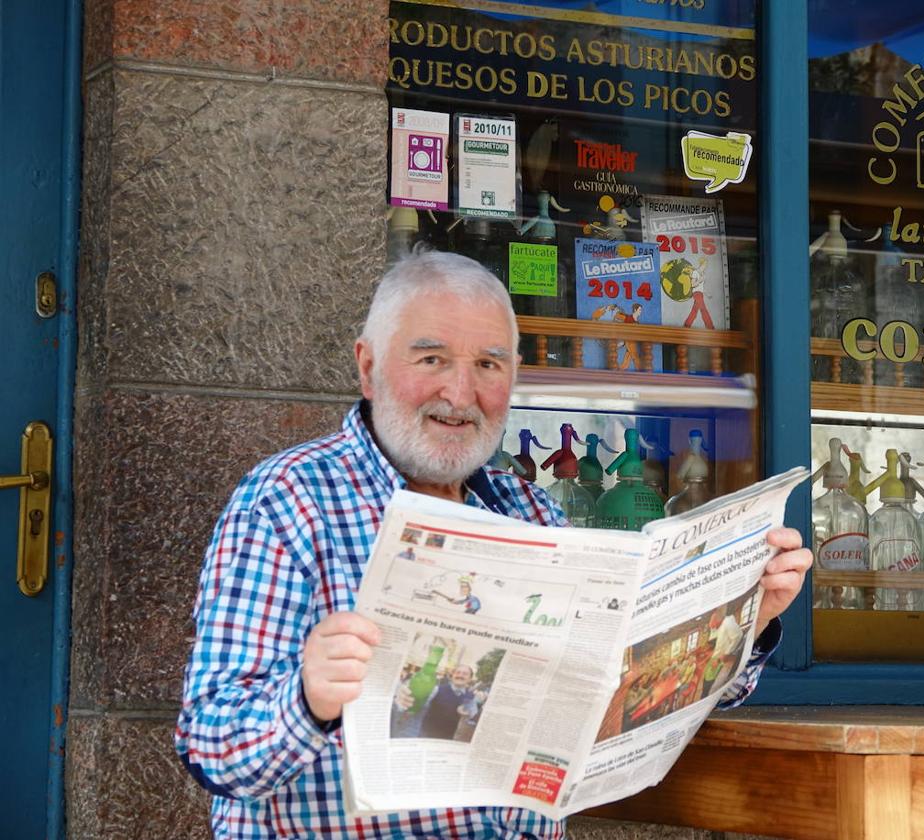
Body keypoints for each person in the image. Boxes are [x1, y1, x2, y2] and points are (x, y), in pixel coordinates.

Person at [174, 250, 813, 839]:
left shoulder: (530, 509)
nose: (460, 393)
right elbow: (211, 747)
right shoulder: (290, 499)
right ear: (368, 368)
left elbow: (621, 696)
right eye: (431, 359)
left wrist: (744, 620)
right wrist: (307, 698)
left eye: (488, 364)